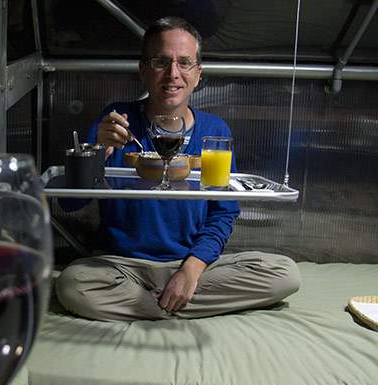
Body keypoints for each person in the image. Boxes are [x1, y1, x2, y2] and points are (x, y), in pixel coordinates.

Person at [55, 16, 301, 322]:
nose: (173, 74)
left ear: (198, 74)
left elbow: (223, 212)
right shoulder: (117, 122)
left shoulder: (214, 131)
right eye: (161, 62)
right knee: (73, 285)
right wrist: (97, 153)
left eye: (184, 63)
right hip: (122, 267)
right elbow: (69, 202)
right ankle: (175, 305)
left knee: (284, 274)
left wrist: (192, 269)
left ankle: (157, 302)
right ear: (143, 70)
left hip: (193, 265)